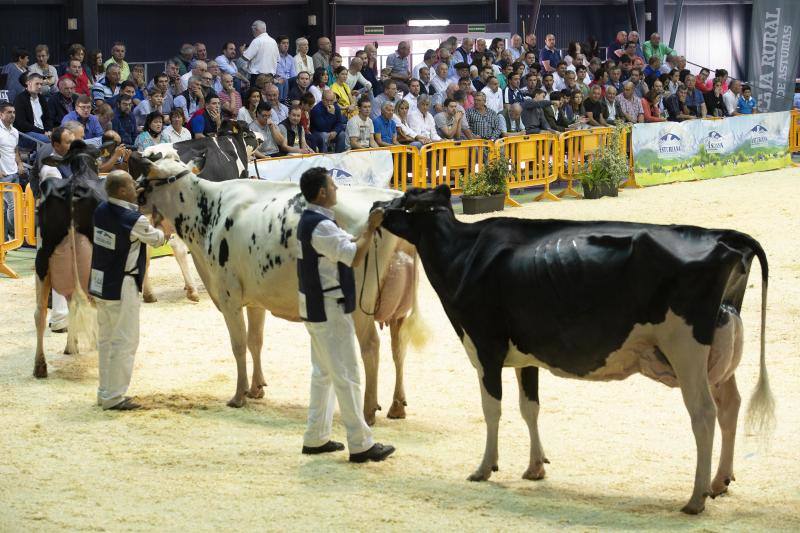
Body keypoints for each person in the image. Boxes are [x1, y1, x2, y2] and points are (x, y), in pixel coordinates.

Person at [296, 167, 395, 462]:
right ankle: (361, 443)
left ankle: (316, 436)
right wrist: (369, 230)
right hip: (329, 307)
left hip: (316, 306)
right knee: (347, 374)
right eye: (333, 185)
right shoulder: (321, 226)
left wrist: (367, 227)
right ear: (322, 193)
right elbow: (353, 257)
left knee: (323, 374)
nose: (337, 189)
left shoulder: (315, 220)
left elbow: (345, 243)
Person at [90, 170, 167, 411]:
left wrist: (134, 204)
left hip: (100, 281)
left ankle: (104, 392)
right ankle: (115, 397)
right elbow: (156, 239)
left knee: (105, 340)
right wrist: (165, 229)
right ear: (122, 191)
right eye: (132, 186)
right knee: (125, 341)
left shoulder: (100, 210)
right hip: (122, 284)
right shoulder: (135, 220)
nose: (136, 187)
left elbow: (122, 217)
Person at [0, 103, 26, 241]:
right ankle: (16, 234)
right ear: (1, 114)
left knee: (4, 208)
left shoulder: (14, 131)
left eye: (14, 112)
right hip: (3, 176)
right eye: (9, 112)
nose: (12, 115)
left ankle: (3, 239)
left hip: (14, 173)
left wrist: (20, 163)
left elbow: (15, 150)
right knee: (12, 206)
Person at [13, 73, 52, 145]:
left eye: (41, 84)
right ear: (28, 83)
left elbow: (48, 118)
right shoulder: (20, 99)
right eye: (37, 84)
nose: (40, 86)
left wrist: (49, 130)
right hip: (26, 134)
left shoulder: (42, 98)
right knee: (51, 141)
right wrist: (43, 132)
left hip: (44, 132)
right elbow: (22, 124)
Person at [242, 20, 279, 85]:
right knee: (268, 94)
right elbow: (278, 60)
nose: (252, 32)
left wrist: (241, 51)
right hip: (270, 77)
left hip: (258, 77)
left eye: (252, 30)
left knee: (257, 95)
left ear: (255, 29)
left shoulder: (256, 41)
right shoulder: (273, 42)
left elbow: (246, 58)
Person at [310, 89, 347, 153]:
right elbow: (322, 127)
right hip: (318, 133)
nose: (329, 103)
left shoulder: (336, 107)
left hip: (332, 132)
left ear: (334, 100)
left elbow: (339, 123)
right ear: (322, 99)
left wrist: (335, 131)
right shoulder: (316, 109)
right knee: (325, 135)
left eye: (331, 101)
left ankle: (338, 156)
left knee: (342, 134)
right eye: (327, 100)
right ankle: (324, 157)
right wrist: (331, 114)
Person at [275, 35, 297, 101]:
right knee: (284, 79)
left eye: (287, 43)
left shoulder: (291, 58)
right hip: (280, 80)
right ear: (278, 44)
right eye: (283, 43)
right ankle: (283, 101)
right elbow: (279, 73)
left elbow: (293, 74)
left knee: (300, 79)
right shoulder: (275, 56)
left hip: (290, 80)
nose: (286, 45)